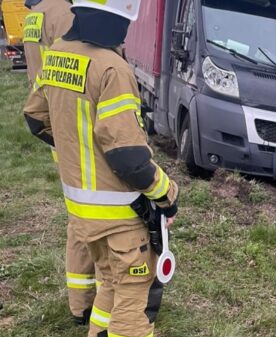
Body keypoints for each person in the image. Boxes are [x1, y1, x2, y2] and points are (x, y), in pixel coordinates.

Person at [23, 1, 179, 336]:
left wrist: (73, 148)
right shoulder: (111, 68)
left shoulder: (58, 54)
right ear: (116, 21)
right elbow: (128, 156)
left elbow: (35, 118)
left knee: (108, 282)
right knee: (133, 303)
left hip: (82, 210)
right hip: (119, 214)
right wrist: (166, 193)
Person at [22, 0, 97, 325]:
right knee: (91, 221)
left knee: (80, 217)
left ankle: (81, 300)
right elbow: (81, 58)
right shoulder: (62, 13)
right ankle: (87, 305)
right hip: (76, 126)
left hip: (57, 124)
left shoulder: (33, 17)